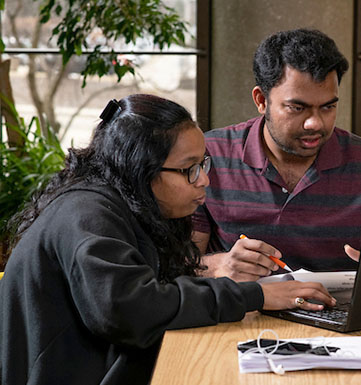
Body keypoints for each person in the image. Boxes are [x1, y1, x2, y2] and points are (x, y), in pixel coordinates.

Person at [0, 94, 335, 385]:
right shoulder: (86, 214)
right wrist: (255, 295)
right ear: (140, 170)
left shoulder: (124, 207)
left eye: (203, 163)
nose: (204, 179)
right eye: (189, 168)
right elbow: (127, 310)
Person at [192, 29, 361, 281]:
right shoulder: (207, 156)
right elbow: (174, 265)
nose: (314, 123)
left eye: (328, 106)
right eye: (297, 108)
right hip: (243, 315)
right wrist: (217, 266)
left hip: (339, 313)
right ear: (261, 100)